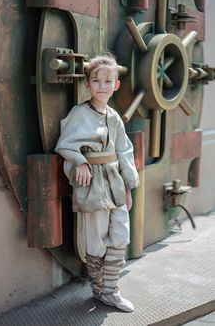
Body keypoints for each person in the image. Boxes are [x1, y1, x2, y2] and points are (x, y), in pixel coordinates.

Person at [55, 53, 139, 312]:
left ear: (116, 85)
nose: (102, 86)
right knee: (96, 239)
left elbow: (124, 151)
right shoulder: (79, 113)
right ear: (88, 84)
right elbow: (65, 144)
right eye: (96, 80)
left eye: (107, 81)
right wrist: (79, 161)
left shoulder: (114, 116)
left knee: (120, 235)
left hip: (114, 182)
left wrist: (128, 185)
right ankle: (99, 289)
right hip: (93, 185)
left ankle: (112, 291)